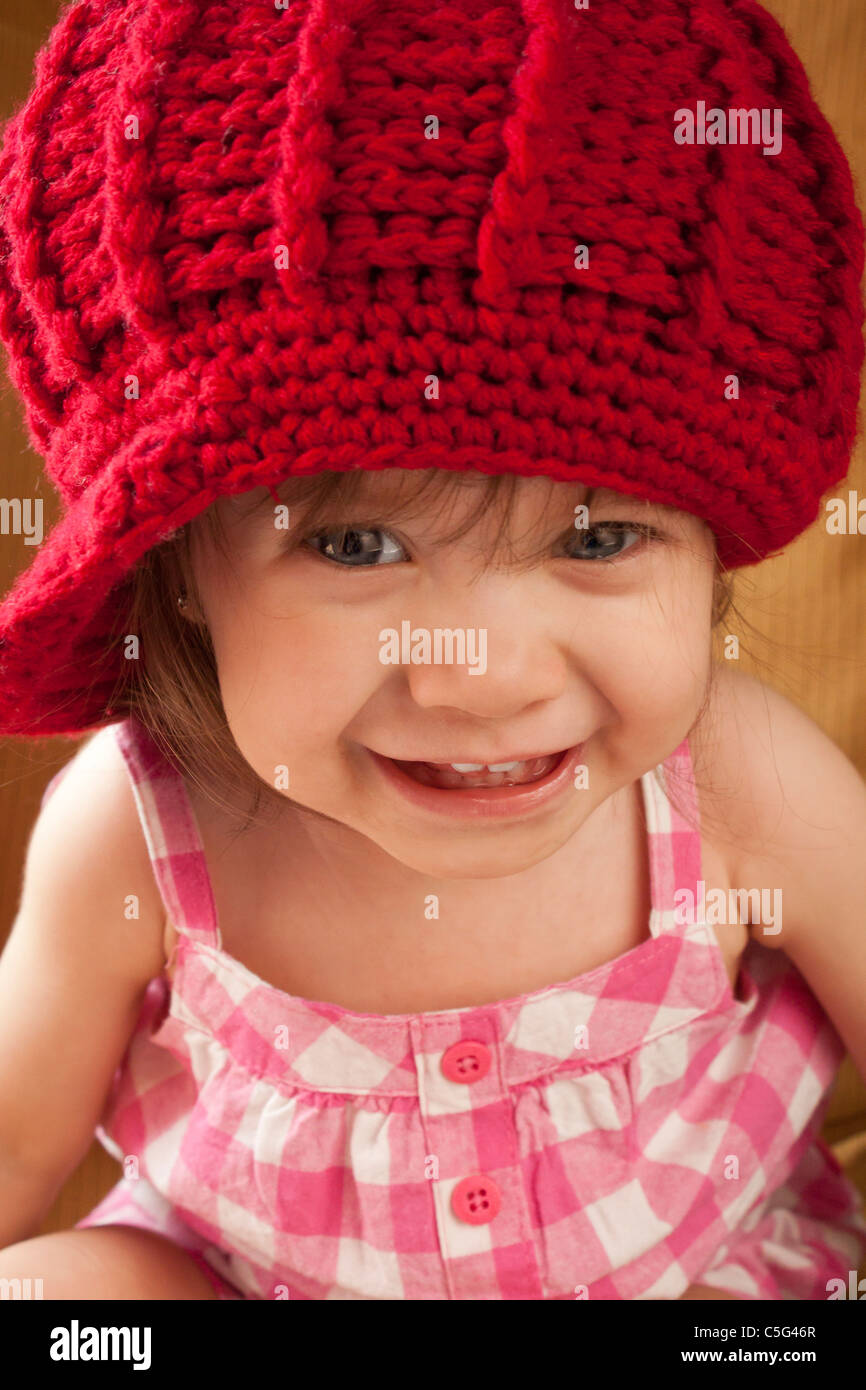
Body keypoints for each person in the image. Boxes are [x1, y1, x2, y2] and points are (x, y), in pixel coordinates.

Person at [0, 0, 863, 1301]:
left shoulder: (732, 778)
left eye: (599, 538)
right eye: (356, 548)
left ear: (706, 548)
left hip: (682, 1276)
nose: (486, 672)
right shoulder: (135, 829)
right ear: (178, 567)